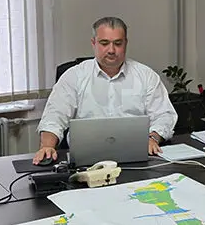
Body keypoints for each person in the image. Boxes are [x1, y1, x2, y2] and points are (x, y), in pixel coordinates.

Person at [32, 17, 178, 165]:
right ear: (93, 43)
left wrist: (153, 138)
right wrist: (47, 146)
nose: (111, 50)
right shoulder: (74, 76)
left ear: (126, 43)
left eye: (118, 43)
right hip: (86, 161)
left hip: (136, 158)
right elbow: (54, 116)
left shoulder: (146, 76)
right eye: (104, 43)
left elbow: (164, 115)